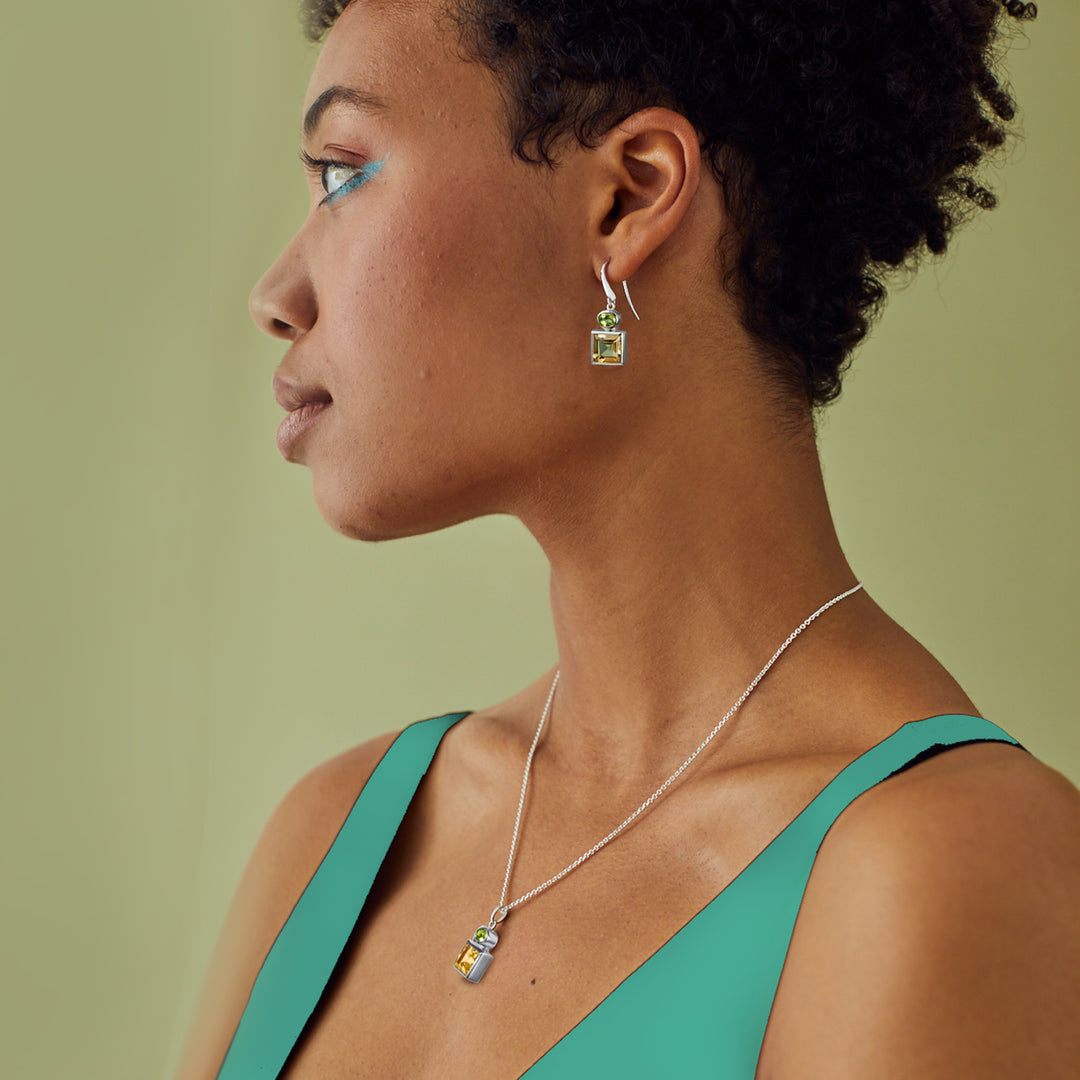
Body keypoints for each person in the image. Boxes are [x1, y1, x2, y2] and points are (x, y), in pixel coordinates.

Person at [177, 0, 1080, 1076]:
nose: (276, 295)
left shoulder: (940, 870)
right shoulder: (330, 841)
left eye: (343, 172)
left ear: (629, 196)